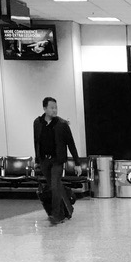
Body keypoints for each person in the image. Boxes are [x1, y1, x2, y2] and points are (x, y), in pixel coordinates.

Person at [33, 96, 81, 225]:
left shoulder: (62, 125)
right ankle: (67, 209)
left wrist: (77, 163)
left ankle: (56, 215)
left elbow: (71, 144)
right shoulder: (37, 123)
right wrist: (37, 159)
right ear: (45, 108)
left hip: (57, 160)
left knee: (55, 185)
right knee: (54, 187)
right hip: (44, 160)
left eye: (56, 107)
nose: (54, 110)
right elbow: (36, 142)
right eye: (52, 108)